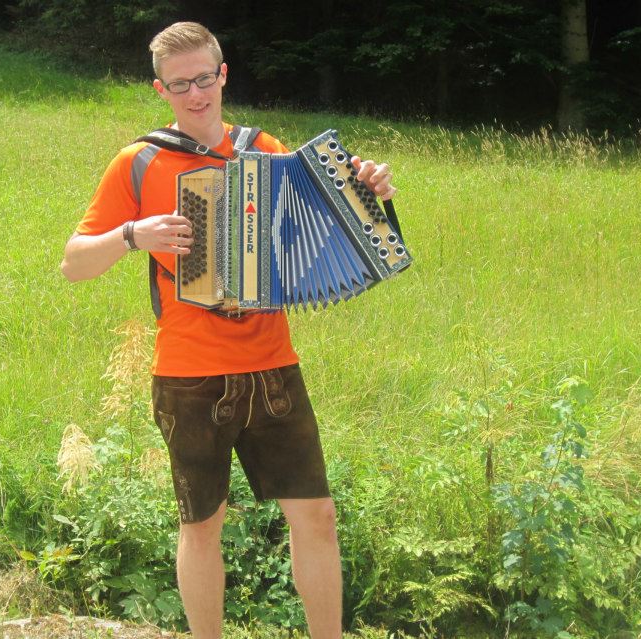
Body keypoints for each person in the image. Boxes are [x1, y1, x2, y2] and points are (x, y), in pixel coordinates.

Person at [60, 21, 396, 639]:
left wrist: (368, 194)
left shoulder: (263, 148)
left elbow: (327, 230)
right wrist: (133, 235)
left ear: (223, 75)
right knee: (201, 526)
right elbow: (73, 264)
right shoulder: (138, 162)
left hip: (273, 365)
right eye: (179, 84)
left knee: (318, 517)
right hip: (189, 375)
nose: (194, 94)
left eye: (203, 78)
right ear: (160, 89)